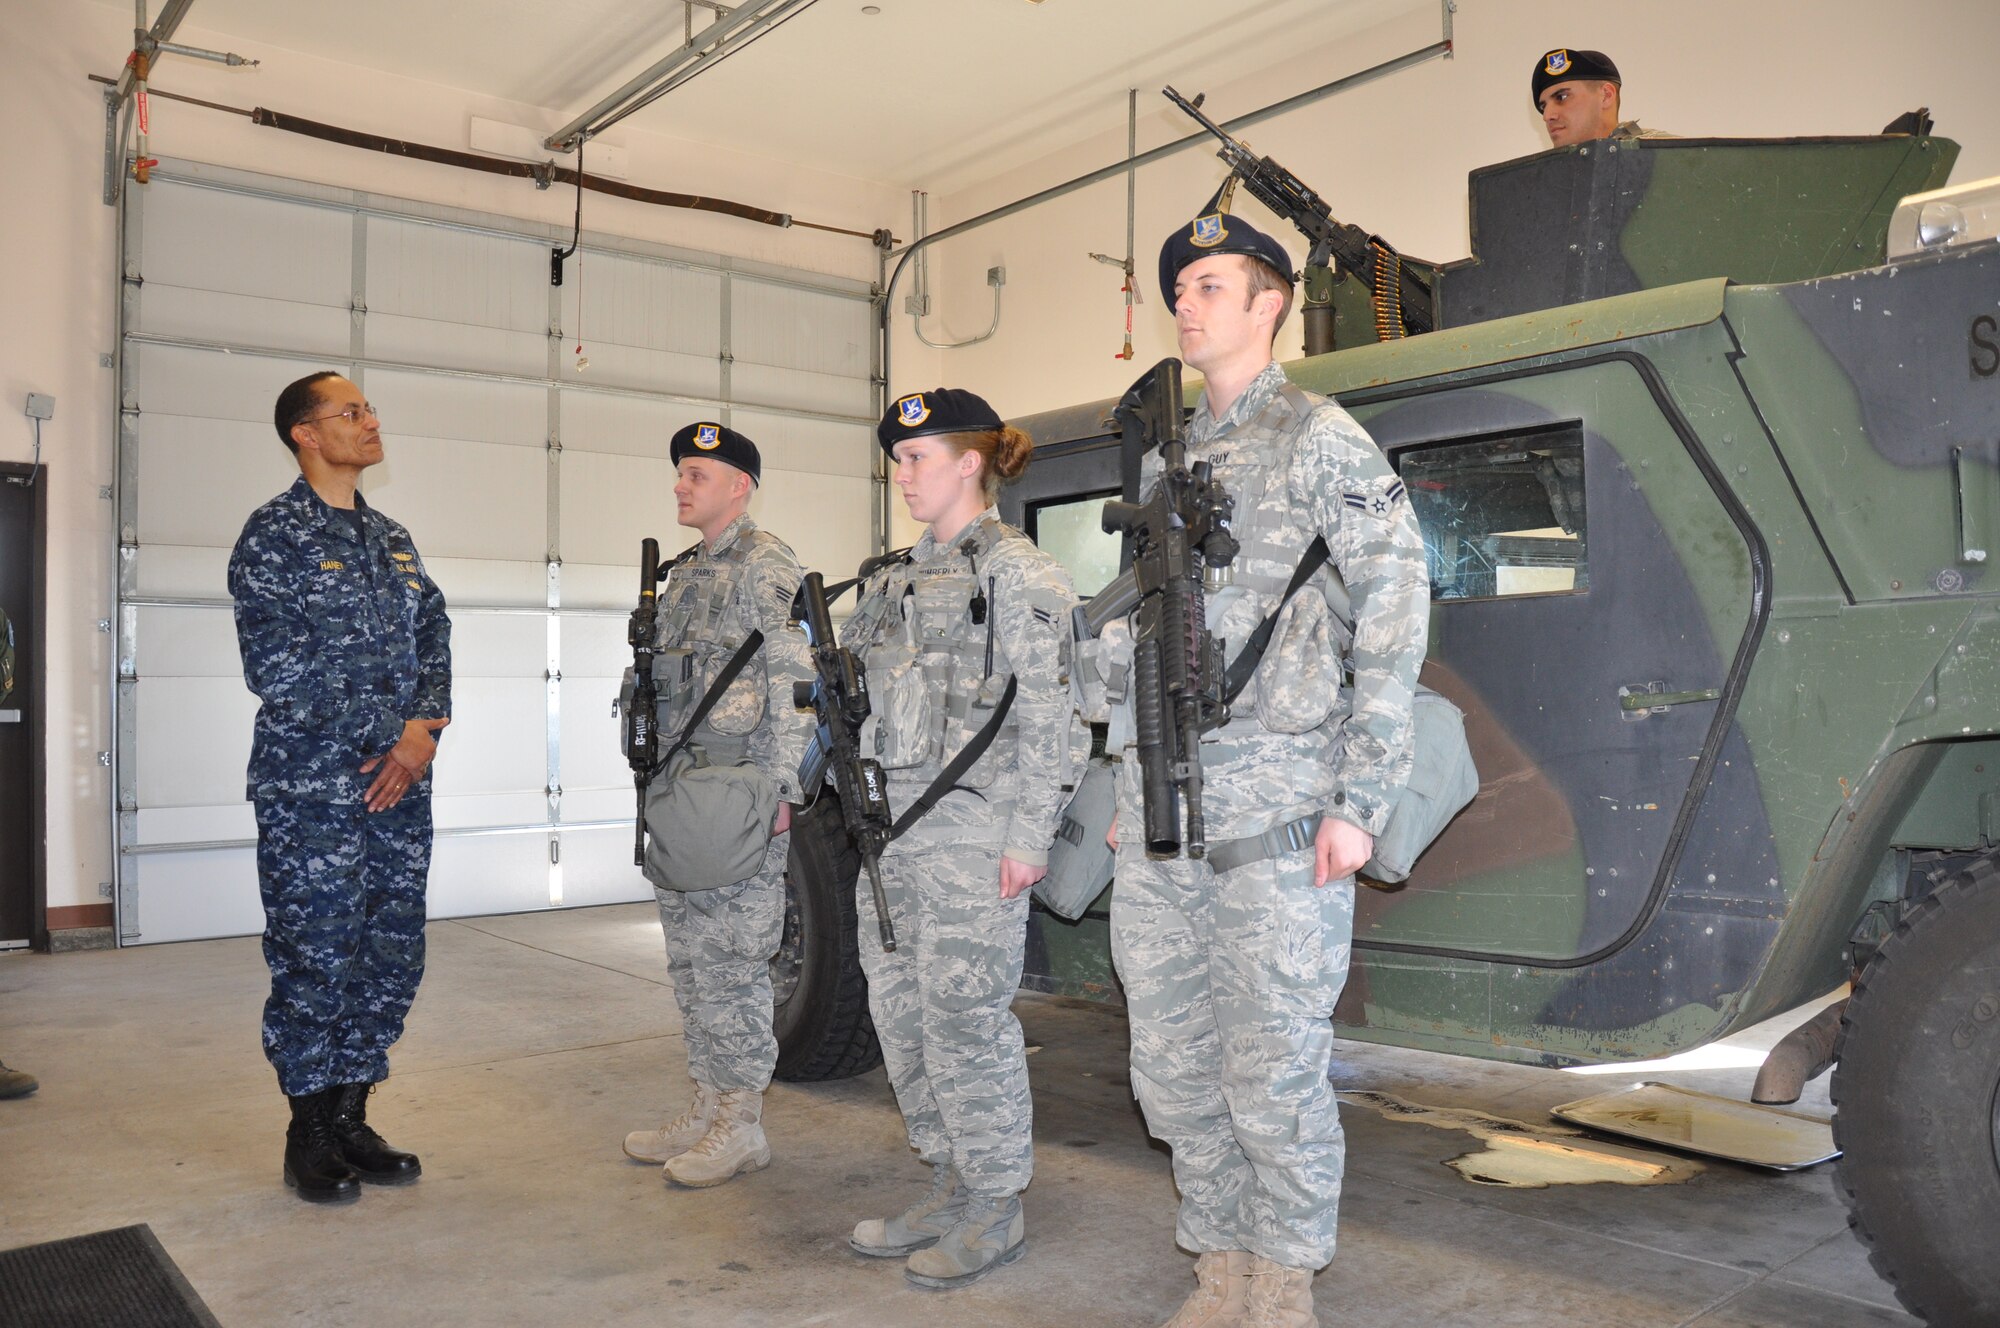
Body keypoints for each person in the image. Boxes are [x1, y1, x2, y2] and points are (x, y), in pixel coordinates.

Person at [1101, 208, 1429, 1326]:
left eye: (1210, 286)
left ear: (1269, 302)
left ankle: (1281, 1273)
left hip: (1282, 813)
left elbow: (1394, 595)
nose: (1187, 305)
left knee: (1275, 1065)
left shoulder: (1318, 435)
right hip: (1163, 816)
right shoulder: (1164, 451)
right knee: (1171, 1060)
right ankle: (1217, 1256)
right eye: (1179, 288)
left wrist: (1362, 797)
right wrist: (1117, 776)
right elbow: (1139, 626)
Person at [839, 388, 1077, 1289]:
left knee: (967, 1027)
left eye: (917, 458)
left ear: (970, 462)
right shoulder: (893, 579)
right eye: (897, 460)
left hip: (976, 836)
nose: (901, 475)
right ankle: (948, 1182)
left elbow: (1055, 714)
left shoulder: (1021, 576)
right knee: (903, 1024)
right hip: (890, 838)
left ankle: (995, 1206)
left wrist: (1030, 838)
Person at [230, 372, 452, 1205]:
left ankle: (354, 1116)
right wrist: (388, 734)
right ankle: (308, 1133)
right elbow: (279, 668)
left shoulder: (392, 538)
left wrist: (423, 731)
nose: (370, 420)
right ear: (306, 435)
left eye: (369, 409)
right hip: (311, 792)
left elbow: (435, 630)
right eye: (350, 412)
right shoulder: (273, 537)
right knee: (314, 958)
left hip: (400, 788)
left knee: (390, 952)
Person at [620, 421, 813, 1188]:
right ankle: (705, 1104)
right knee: (691, 959)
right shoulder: (683, 574)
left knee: (735, 960)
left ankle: (741, 1123)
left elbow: (796, 686)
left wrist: (783, 790)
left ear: (740, 485)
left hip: (737, 793)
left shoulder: (766, 566)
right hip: (678, 788)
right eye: (678, 472)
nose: (680, 484)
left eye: (697, 473)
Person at [1533, 48, 1672, 148]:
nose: (1547, 116)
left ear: (1606, 95)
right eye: (1543, 106)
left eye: (1561, 97)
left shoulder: (1669, 156)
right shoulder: (1541, 180)